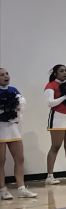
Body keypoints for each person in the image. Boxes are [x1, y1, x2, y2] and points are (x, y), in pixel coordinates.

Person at [0, 68, 37, 199]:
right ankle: (3, 189)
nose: (5, 76)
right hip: (0, 127)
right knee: (1, 160)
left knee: (20, 158)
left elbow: (20, 108)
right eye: (2, 75)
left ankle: (21, 188)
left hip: (12, 127)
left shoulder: (14, 90)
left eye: (7, 73)